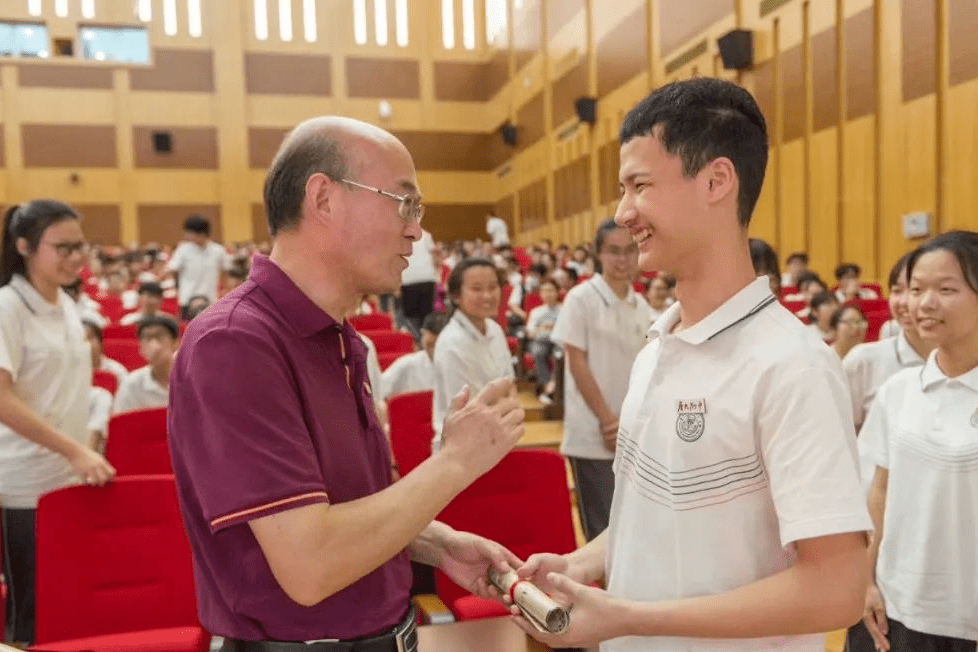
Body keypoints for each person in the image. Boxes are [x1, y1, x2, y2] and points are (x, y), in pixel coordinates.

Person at [513, 78, 870, 652]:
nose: (622, 212)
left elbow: (836, 588)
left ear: (716, 181)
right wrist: (580, 564)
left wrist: (628, 617)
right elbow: (657, 513)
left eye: (640, 186)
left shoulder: (792, 366)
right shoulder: (658, 345)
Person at [168, 116, 526, 647]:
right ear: (324, 199)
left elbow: (341, 512)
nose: (416, 230)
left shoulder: (339, 339)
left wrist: (436, 543)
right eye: (403, 203)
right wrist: (454, 461)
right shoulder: (235, 343)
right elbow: (310, 565)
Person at [850, 231, 978, 652]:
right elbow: (880, 493)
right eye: (916, 289)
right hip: (899, 610)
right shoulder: (898, 391)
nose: (924, 303)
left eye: (946, 289)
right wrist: (866, 582)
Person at [0, 200, 116, 644]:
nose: (75, 257)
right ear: (25, 246)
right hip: (25, 486)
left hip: (70, 478)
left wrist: (86, 442)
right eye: (63, 247)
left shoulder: (66, 304)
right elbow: (4, 400)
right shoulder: (9, 307)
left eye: (79, 246)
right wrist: (74, 450)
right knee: (29, 617)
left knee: (69, 607)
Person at [550, 218, 651, 541]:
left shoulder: (641, 304)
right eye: (613, 251)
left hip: (632, 433)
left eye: (630, 251)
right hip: (594, 433)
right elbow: (577, 362)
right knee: (603, 531)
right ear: (598, 254)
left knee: (633, 530)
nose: (622, 260)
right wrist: (608, 421)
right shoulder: (581, 299)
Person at [842, 252, 934, 433]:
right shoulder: (862, 361)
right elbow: (838, 436)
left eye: (916, 290)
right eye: (897, 291)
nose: (904, 302)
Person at [431, 257, 514, 451]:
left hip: (497, 438)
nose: (487, 296)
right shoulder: (452, 342)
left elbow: (510, 386)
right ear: (457, 295)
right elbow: (467, 411)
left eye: (493, 287)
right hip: (460, 448)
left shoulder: (494, 329)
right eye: (477, 289)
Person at [113, 315, 179, 415]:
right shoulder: (131, 384)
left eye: (159, 337)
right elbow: (121, 422)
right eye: (147, 338)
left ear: (175, 343)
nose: (154, 344)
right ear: (141, 347)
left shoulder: (196, 379)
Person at [167, 214, 226, 319]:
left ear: (201, 233)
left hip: (210, 299)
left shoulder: (218, 250)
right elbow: (171, 269)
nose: (186, 235)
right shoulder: (183, 250)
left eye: (189, 232)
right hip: (187, 300)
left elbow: (226, 271)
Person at [380, 312, 446, 400]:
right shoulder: (406, 364)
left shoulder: (458, 365)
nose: (436, 343)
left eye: (440, 340)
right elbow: (378, 393)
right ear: (423, 334)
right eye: (432, 343)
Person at [525, 278, 562, 405]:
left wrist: (554, 327)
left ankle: (553, 385)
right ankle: (547, 386)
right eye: (544, 291)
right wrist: (542, 328)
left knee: (560, 354)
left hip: (559, 341)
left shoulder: (564, 310)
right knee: (538, 352)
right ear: (540, 294)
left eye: (551, 290)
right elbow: (530, 333)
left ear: (557, 292)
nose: (548, 294)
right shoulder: (536, 312)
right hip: (541, 340)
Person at [399, 228, 438, 336]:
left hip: (409, 280)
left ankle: (418, 340)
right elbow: (435, 256)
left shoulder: (399, 236)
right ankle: (424, 339)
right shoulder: (426, 235)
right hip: (426, 278)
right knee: (426, 315)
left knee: (411, 317)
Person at [82, 320, 129, 388]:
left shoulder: (116, 372)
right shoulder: (69, 371)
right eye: (83, 340)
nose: (88, 345)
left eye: (90, 338)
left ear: (100, 343)